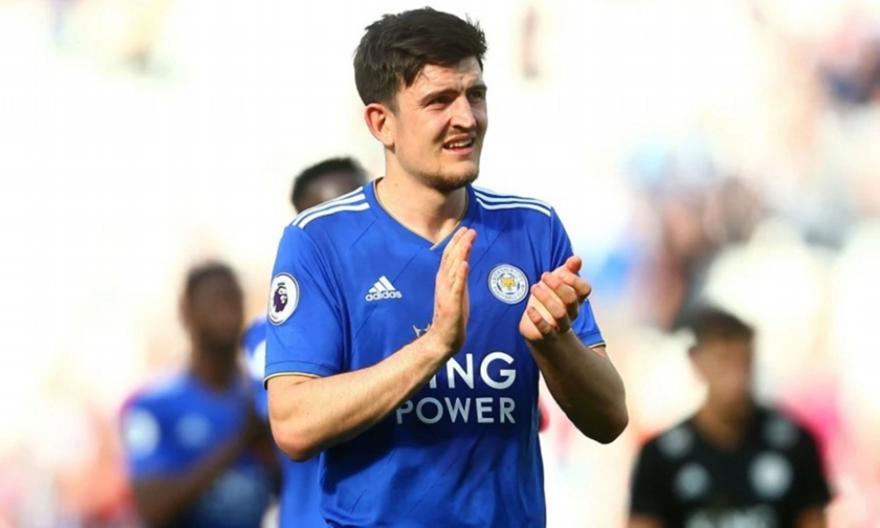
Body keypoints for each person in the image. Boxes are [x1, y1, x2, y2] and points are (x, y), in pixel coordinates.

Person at [264, 8, 628, 526]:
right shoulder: (320, 240)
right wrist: (434, 346)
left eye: (475, 95)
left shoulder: (531, 227)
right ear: (382, 123)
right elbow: (293, 424)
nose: (467, 118)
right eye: (439, 101)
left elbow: (610, 417)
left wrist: (555, 343)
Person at [242, 157, 367, 527]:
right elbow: (298, 418)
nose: (349, 232)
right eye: (329, 218)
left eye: (358, 211)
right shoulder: (268, 333)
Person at [628, 307, 831, 528]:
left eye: (742, 362)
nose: (735, 377)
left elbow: (813, 520)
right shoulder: (661, 455)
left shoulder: (795, 444)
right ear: (696, 361)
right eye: (722, 361)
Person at [121, 262, 277, 528]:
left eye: (234, 299)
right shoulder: (152, 407)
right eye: (216, 300)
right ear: (187, 311)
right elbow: (152, 508)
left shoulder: (259, 398)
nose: (228, 311)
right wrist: (240, 440)